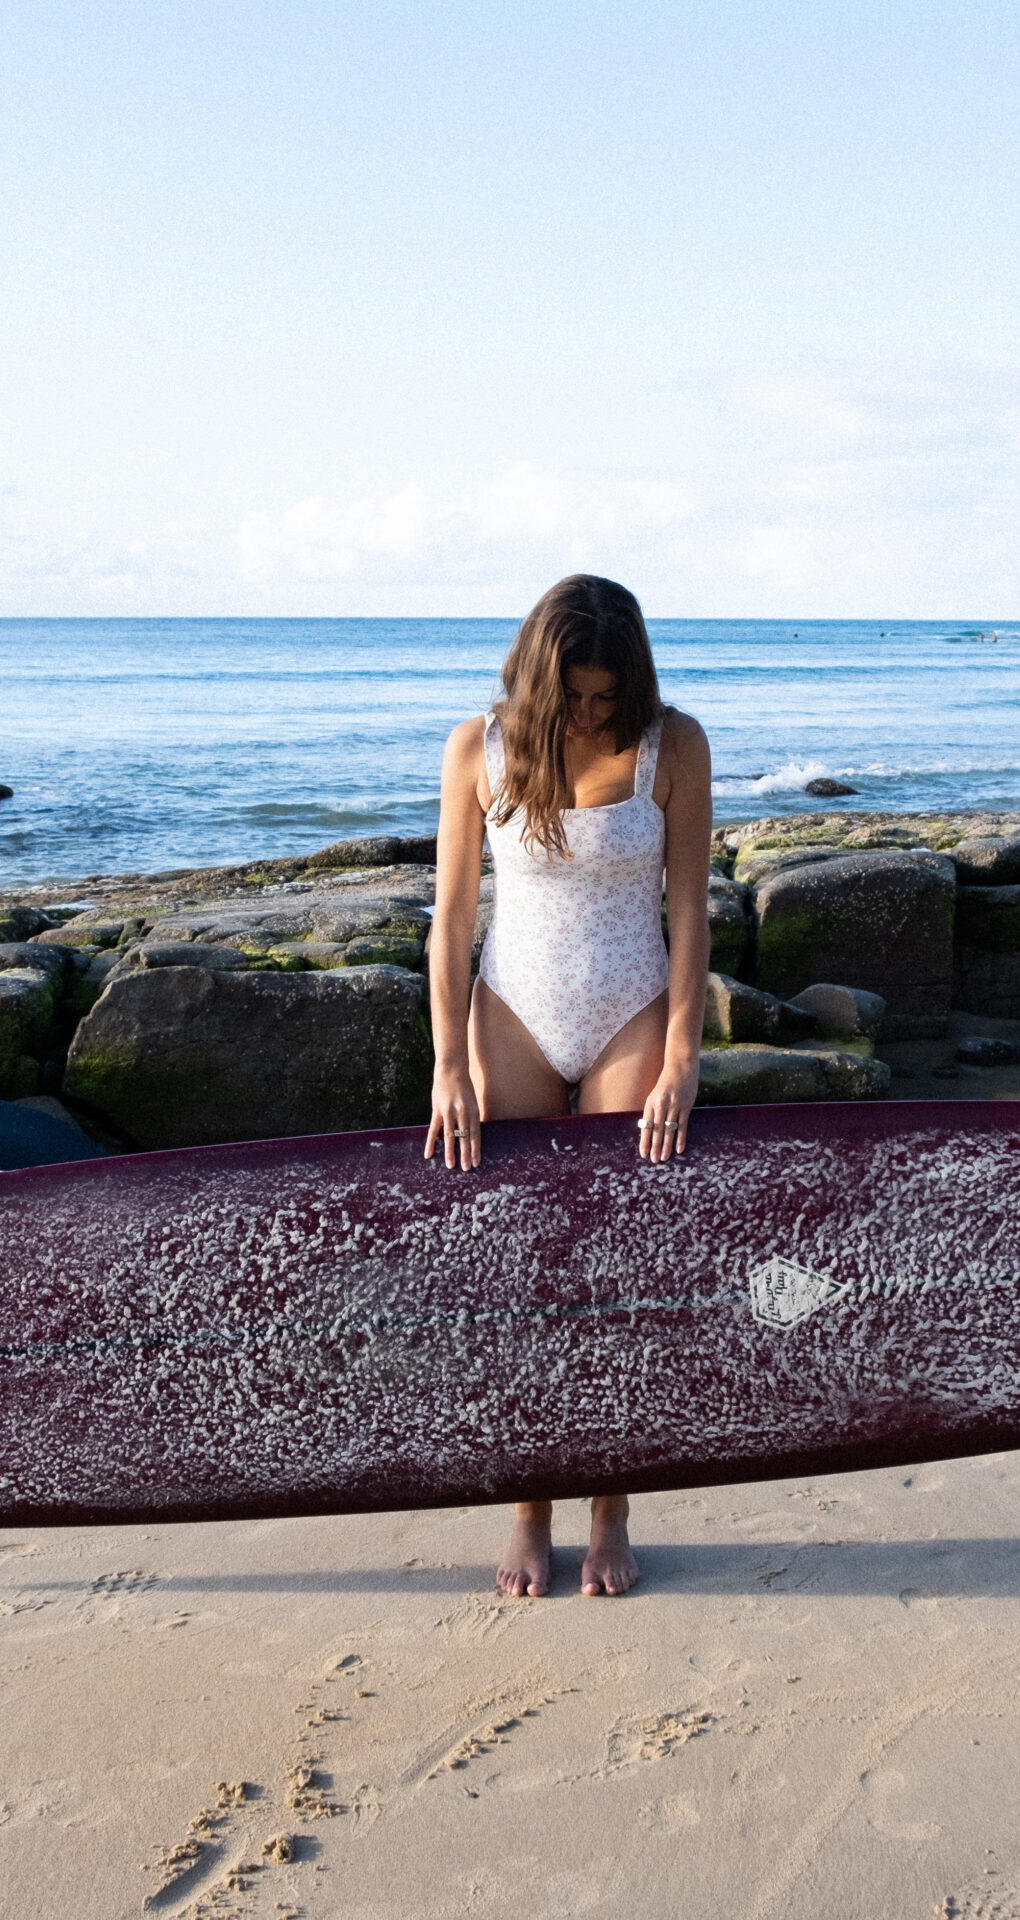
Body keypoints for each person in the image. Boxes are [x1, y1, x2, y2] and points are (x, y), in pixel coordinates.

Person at [420, 574, 713, 1599]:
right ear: (542, 680)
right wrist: (447, 1063)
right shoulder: (478, 749)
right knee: (523, 1275)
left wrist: (682, 1054)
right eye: (577, 697)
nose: (593, 713)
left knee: (617, 1271)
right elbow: (452, 920)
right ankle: (529, 1508)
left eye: (608, 696)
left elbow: (688, 915)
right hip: (512, 1014)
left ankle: (611, 1507)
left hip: (629, 1008)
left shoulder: (673, 745)